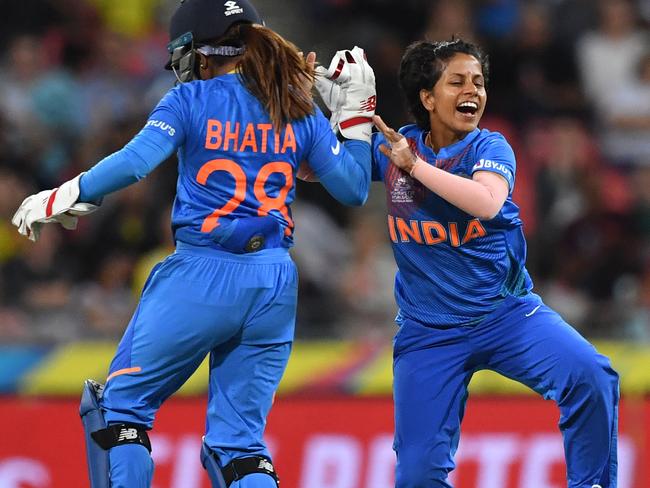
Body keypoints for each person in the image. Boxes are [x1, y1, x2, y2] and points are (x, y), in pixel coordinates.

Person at [11, 0, 376, 486]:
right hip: (273, 280)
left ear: (202, 52)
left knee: (120, 411)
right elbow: (353, 188)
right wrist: (354, 117)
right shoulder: (297, 105)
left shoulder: (189, 100)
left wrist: (67, 193)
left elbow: (137, 161)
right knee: (240, 446)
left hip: (202, 272)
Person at [359, 39, 618, 487]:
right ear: (427, 97)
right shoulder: (395, 147)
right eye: (457, 81)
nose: (473, 91)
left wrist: (415, 167)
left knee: (591, 376)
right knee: (418, 475)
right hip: (429, 332)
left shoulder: (492, 146)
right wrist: (323, 109)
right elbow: (317, 169)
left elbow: (486, 202)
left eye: (478, 82)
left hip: (505, 314)